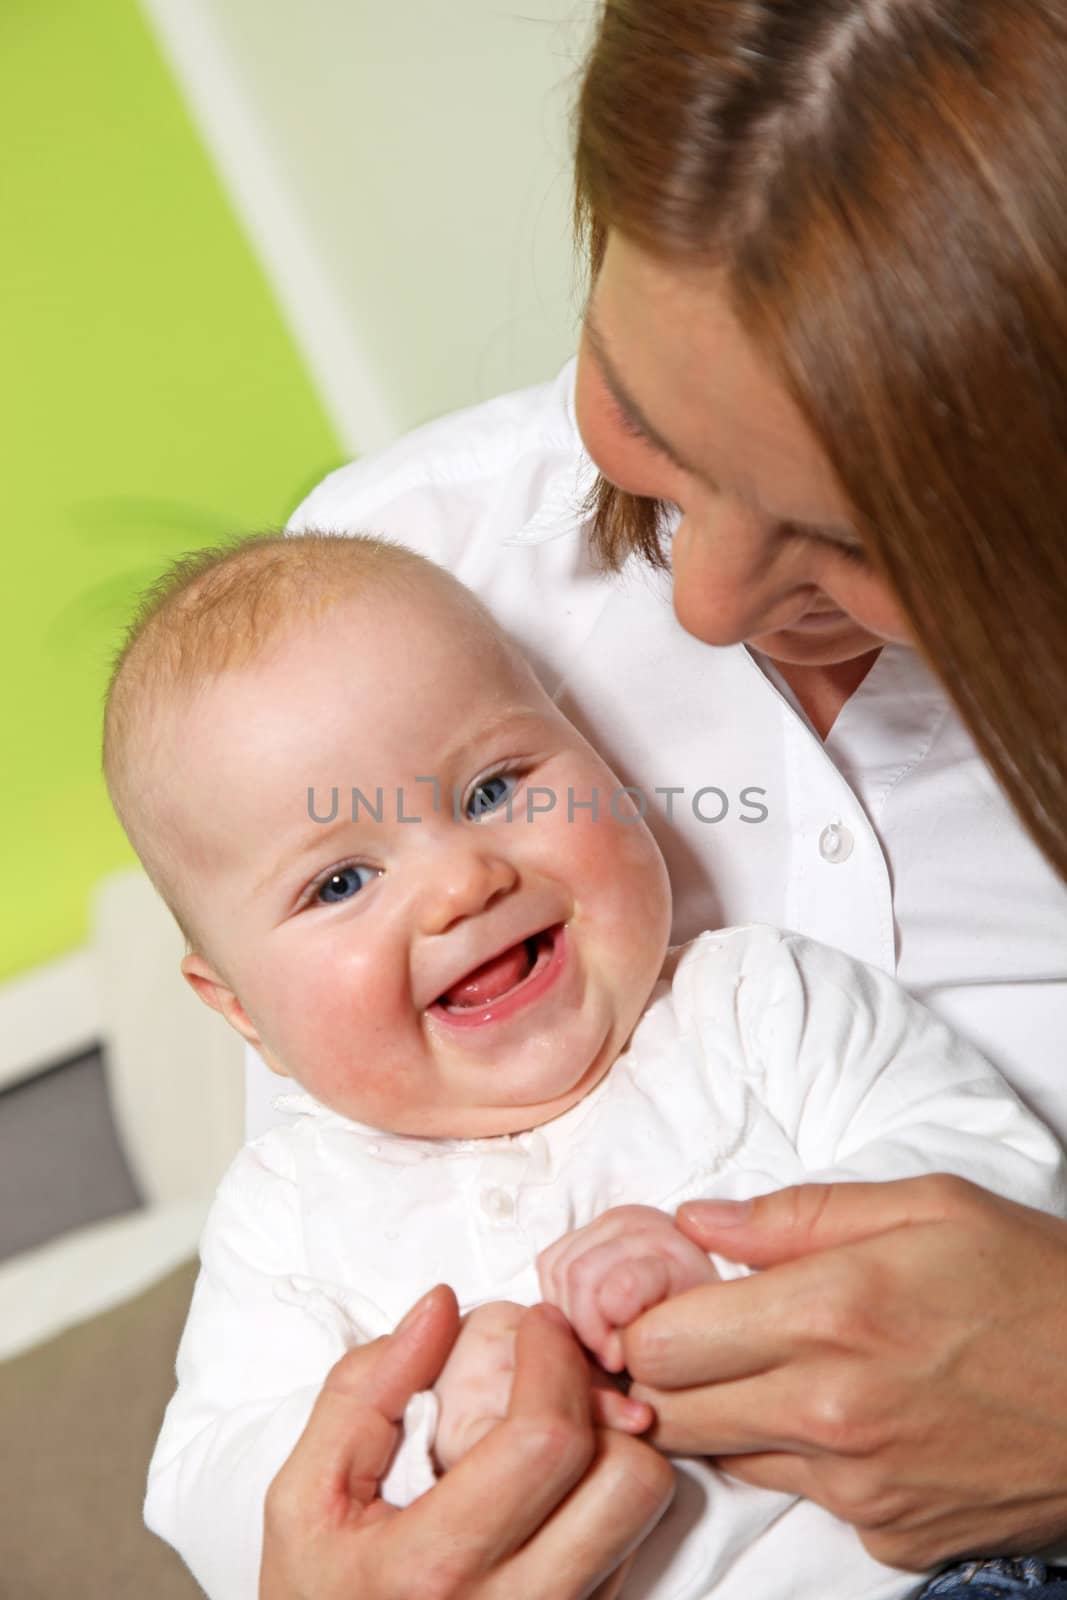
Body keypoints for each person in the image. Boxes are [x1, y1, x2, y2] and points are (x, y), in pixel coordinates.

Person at [243, 2, 1067, 1595]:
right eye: (640, 413)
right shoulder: (399, 580)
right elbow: (330, 1247)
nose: (699, 606)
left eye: (855, 532)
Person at [103, 533, 1064, 1600]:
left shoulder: (750, 1002)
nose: (461, 882)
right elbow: (207, 1489)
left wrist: (721, 1257)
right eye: (340, 882)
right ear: (243, 1013)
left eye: (494, 788)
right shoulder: (286, 1207)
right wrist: (427, 1431)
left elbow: (994, 1175)